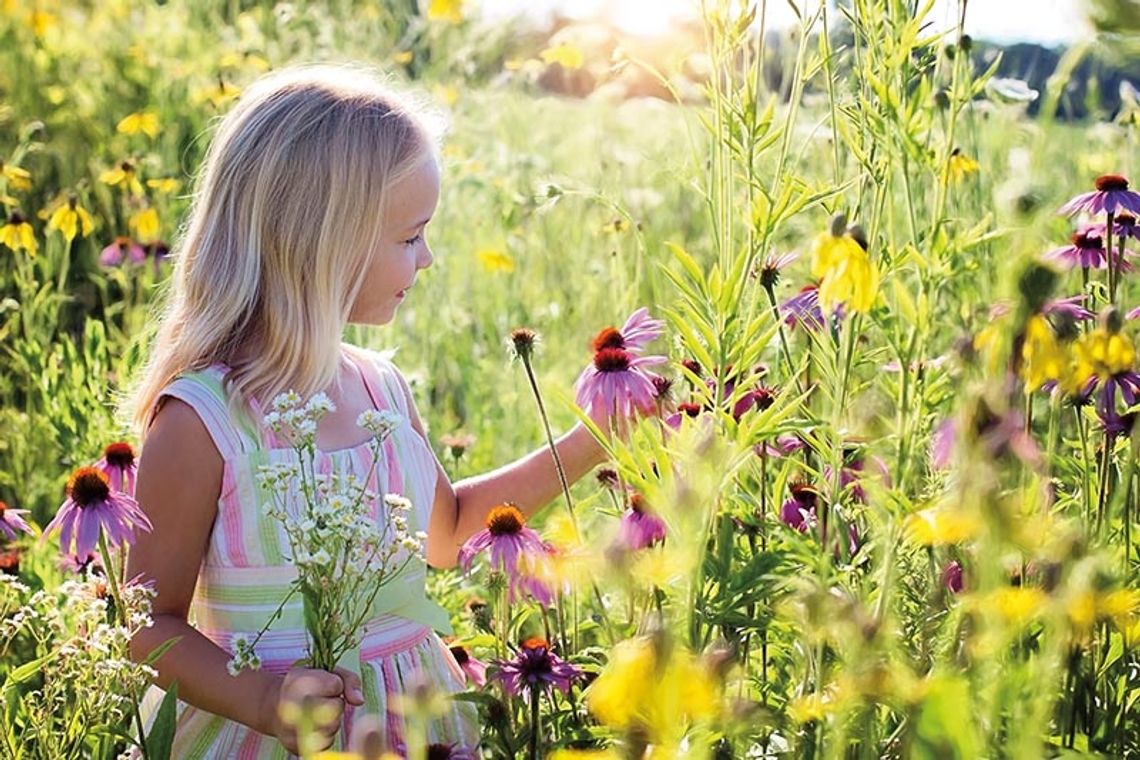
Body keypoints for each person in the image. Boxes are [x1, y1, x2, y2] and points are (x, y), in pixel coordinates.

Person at [124, 63, 608, 758]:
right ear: (321, 245)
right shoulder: (204, 421)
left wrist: (593, 439)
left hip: (416, 723)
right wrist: (263, 698)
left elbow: (447, 534)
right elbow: (148, 627)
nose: (429, 257)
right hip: (263, 736)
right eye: (411, 237)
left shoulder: (382, 389)